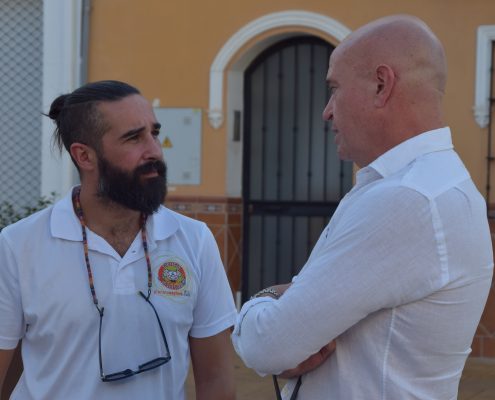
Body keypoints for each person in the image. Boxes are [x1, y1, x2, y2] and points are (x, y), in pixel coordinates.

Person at [232, 15, 494, 399]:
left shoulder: (408, 198)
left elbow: (268, 346)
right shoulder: (434, 183)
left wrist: (262, 300)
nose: (327, 111)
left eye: (334, 88)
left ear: (381, 85)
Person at [0, 80, 237, 399]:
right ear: (84, 156)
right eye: (133, 138)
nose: (154, 150)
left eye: (154, 132)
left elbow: (216, 379)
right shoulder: (18, 246)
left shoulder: (193, 239)